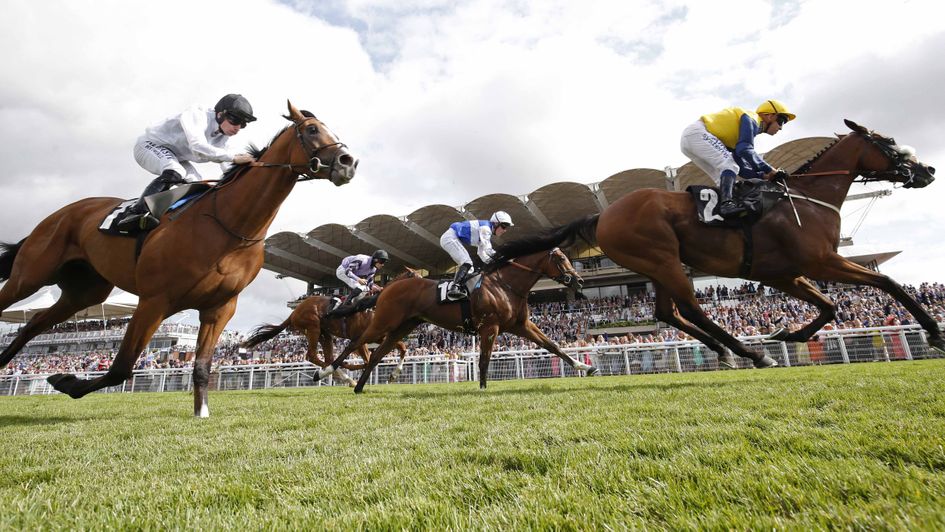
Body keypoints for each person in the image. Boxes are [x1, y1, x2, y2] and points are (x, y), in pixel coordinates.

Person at [116, 93, 259, 232]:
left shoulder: (223, 138)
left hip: (176, 156)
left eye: (243, 124)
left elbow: (227, 166)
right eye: (235, 120)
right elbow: (197, 146)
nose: (238, 128)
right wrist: (234, 158)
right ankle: (135, 213)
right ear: (220, 114)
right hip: (148, 145)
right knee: (175, 171)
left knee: (198, 185)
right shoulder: (197, 114)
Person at [680, 99, 795, 218]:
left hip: (691, 139)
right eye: (781, 121)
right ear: (769, 116)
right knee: (729, 165)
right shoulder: (752, 118)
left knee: (723, 178)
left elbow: (742, 169)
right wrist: (770, 169)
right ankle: (727, 205)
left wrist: (764, 176)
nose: (781, 127)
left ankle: (719, 213)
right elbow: (745, 150)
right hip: (698, 134)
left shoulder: (740, 132)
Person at [440, 211, 513, 300]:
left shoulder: (486, 230)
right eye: (504, 226)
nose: (505, 230)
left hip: (452, 238)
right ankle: (454, 288)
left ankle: (461, 289)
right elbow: (488, 250)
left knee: (470, 269)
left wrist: (492, 263)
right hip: (450, 238)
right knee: (467, 262)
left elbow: (481, 253)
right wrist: (503, 259)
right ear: (496, 223)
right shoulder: (486, 229)